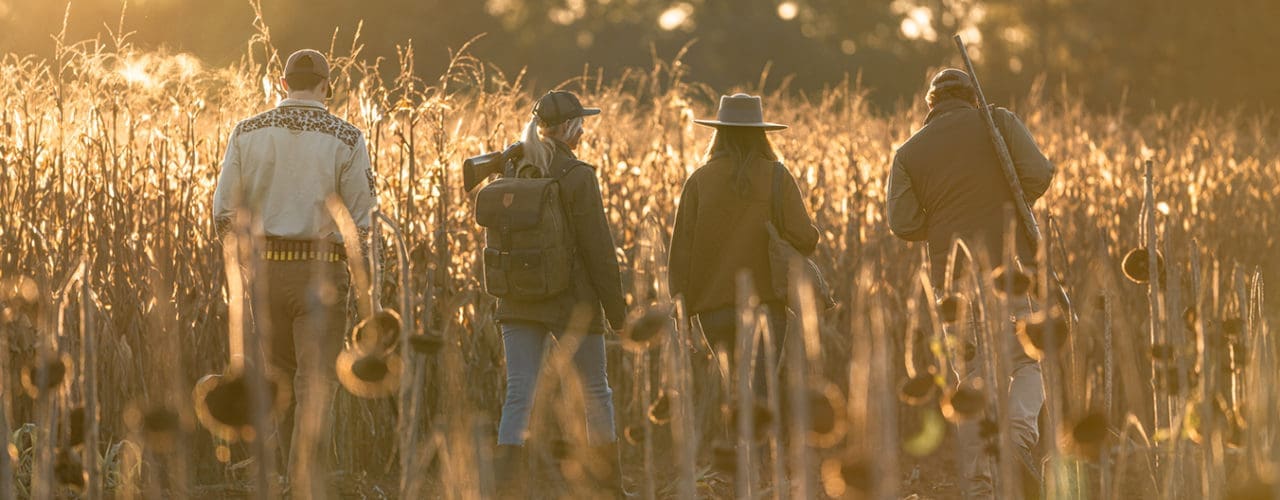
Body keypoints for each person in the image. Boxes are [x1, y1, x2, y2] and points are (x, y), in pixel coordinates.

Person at [886, 68, 1056, 498]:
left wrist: (942, 220)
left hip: (952, 284)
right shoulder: (998, 123)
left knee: (972, 378)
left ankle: (980, 483)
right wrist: (1009, 200)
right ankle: (1016, 441)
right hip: (1009, 271)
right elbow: (1039, 173)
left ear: (930, 105)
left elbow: (902, 223)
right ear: (971, 96)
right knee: (1026, 362)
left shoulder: (908, 152)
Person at [212, 49, 374, 497]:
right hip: (320, 275)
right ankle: (306, 482)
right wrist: (363, 281)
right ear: (326, 85)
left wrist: (246, 263)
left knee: (277, 380)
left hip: (264, 272)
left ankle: (279, 479)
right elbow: (361, 222)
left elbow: (223, 211)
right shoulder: (347, 137)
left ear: (283, 84)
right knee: (315, 383)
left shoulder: (247, 132)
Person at [491, 90, 628, 498]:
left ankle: (507, 490)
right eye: (580, 124)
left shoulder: (511, 168)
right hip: (574, 304)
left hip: (516, 301)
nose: (584, 130)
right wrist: (618, 314)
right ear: (572, 129)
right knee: (595, 394)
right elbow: (598, 249)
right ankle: (608, 490)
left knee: (519, 393)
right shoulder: (578, 175)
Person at [668, 93, 819, 394]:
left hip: (713, 312)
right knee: (761, 401)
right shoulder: (777, 177)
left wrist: (681, 316)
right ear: (762, 134)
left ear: (719, 133)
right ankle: (759, 444)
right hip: (765, 306)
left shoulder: (698, 181)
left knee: (735, 397)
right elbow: (806, 237)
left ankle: (736, 443)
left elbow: (680, 256)